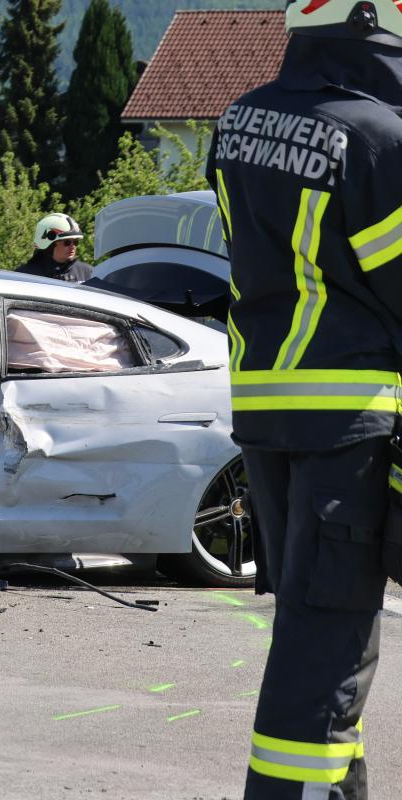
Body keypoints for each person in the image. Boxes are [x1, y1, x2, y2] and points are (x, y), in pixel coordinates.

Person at [206, 2, 402, 797]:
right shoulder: (378, 137)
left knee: (312, 625)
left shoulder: (238, 120)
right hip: (347, 424)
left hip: (266, 415)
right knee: (324, 648)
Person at [16, 213, 93, 283]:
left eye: (76, 242)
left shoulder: (88, 273)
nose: (73, 247)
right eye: (67, 242)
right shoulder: (24, 276)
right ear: (50, 245)